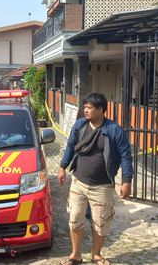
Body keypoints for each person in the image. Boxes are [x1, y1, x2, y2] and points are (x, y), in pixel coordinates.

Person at [57, 93, 133, 265]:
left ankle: (96, 255)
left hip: (103, 186)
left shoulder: (114, 130)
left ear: (101, 110)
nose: (86, 110)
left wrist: (127, 180)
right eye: (85, 107)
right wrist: (62, 167)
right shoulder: (80, 125)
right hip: (78, 182)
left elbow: (126, 155)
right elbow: (70, 146)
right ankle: (75, 255)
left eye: (90, 107)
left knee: (100, 222)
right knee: (75, 217)